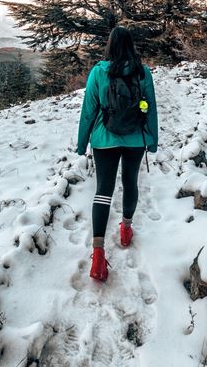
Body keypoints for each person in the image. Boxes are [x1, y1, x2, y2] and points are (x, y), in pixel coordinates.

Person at [77, 26, 158, 282]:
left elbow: (89, 111)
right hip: (135, 138)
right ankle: (125, 228)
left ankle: (99, 255)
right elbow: (150, 107)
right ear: (131, 45)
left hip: (104, 139)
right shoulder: (142, 72)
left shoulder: (99, 72)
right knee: (130, 183)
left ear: (110, 46)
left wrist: (82, 143)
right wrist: (152, 139)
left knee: (103, 191)